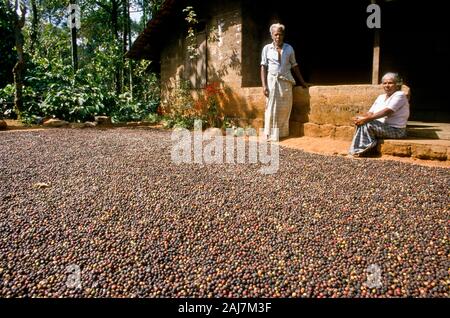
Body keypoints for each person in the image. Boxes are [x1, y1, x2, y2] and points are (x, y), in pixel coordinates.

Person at [261, 23, 308, 141]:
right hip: (272, 81)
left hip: (286, 81)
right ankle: (268, 134)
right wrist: (264, 86)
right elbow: (263, 67)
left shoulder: (289, 48)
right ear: (272, 35)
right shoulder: (267, 48)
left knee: (284, 109)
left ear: (283, 35)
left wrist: (302, 82)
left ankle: (280, 134)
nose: (278, 37)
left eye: (280, 34)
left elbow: (294, 65)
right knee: (270, 108)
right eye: (276, 34)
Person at [349, 72, 410, 156]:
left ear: (396, 84)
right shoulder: (380, 97)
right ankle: (359, 149)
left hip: (396, 130)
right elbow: (370, 113)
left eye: (390, 83)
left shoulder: (400, 95)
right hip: (382, 127)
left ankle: (363, 150)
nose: (387, 85)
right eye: (385, 83)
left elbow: (388, 111)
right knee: (361, 122)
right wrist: (360, 118)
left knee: (368, 122)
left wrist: (367, 119)